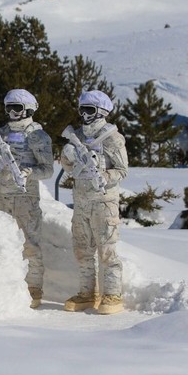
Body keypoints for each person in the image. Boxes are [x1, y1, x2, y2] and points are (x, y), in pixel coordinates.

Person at [0, 89, 54, 309]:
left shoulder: (37, 136)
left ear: (29, 110)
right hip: (1, 196)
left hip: (25, 198)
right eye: (8, 107)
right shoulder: (0, 133)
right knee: (2, 242)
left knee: (30, 244)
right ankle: (4, 286)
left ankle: (33, 289)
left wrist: (29, 172)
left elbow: (48, 169)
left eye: (17, 108)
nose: (12, 112)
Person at [59, 90, 129, 315]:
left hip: (104, 202)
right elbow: (68, 168)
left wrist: (104, 175)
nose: (84, 114)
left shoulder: (112, 138)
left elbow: (122, 170)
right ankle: (87, 293)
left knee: (106, 249)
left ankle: (112, 294)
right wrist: (68, 158)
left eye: (89, 110)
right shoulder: (76, 135)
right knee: (82, 249)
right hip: (81, 202)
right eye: (82, 109)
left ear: (101, 111)